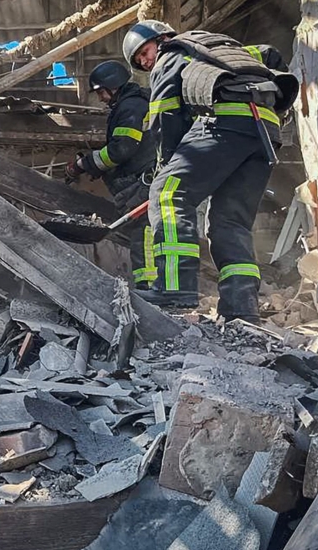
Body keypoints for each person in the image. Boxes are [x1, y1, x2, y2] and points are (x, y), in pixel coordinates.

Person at [122, 20, 297, 323]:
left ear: (162, 39)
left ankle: (173, 289)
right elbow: (270, 54)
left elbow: (166, 117)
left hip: (226, 121)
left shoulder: (172, 55)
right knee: (231, 220)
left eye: (145, 52)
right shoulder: (226, 49)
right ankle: (241, 306)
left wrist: (168, 168)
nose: (147, 62)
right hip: (265, 131)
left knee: (167, 193)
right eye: (141, 62)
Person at [64, 60, 158, 287]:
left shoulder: (131, 107)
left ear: (113, 86)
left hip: (145, 181)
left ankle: (151, 288)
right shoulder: (131, 104)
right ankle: (153, 287)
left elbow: (121, 149)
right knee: (144, 232)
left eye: (100, 92)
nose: (100, 98)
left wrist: (84, 165)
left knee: (143, 233)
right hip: (144, 180)